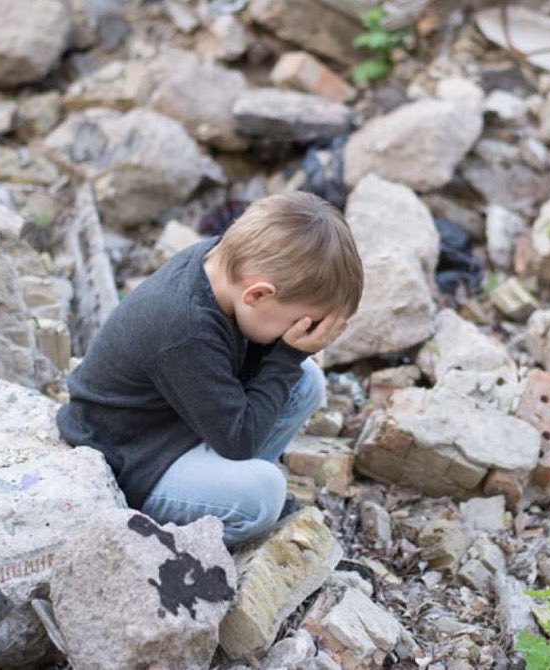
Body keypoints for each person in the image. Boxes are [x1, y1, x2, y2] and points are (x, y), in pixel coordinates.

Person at [56, 191, 364, 547]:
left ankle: (220, 484)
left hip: (173, 425)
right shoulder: (184, 327)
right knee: (262, 495)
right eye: (298, 323)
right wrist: (287, 355)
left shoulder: (223, 265)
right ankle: (183, 534)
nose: (299, 334)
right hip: (129, 459)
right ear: (258, 295)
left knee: (306, 381)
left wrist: (290, 353)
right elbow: (239, 441)